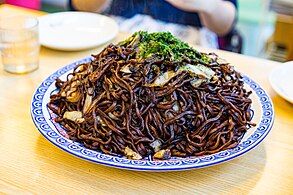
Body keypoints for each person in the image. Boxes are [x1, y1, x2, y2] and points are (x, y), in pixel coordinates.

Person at [69, 0, 241, 52]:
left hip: (191, 45)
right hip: (112, 40)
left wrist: (206, 4)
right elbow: (80, 6)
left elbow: (224, 26)